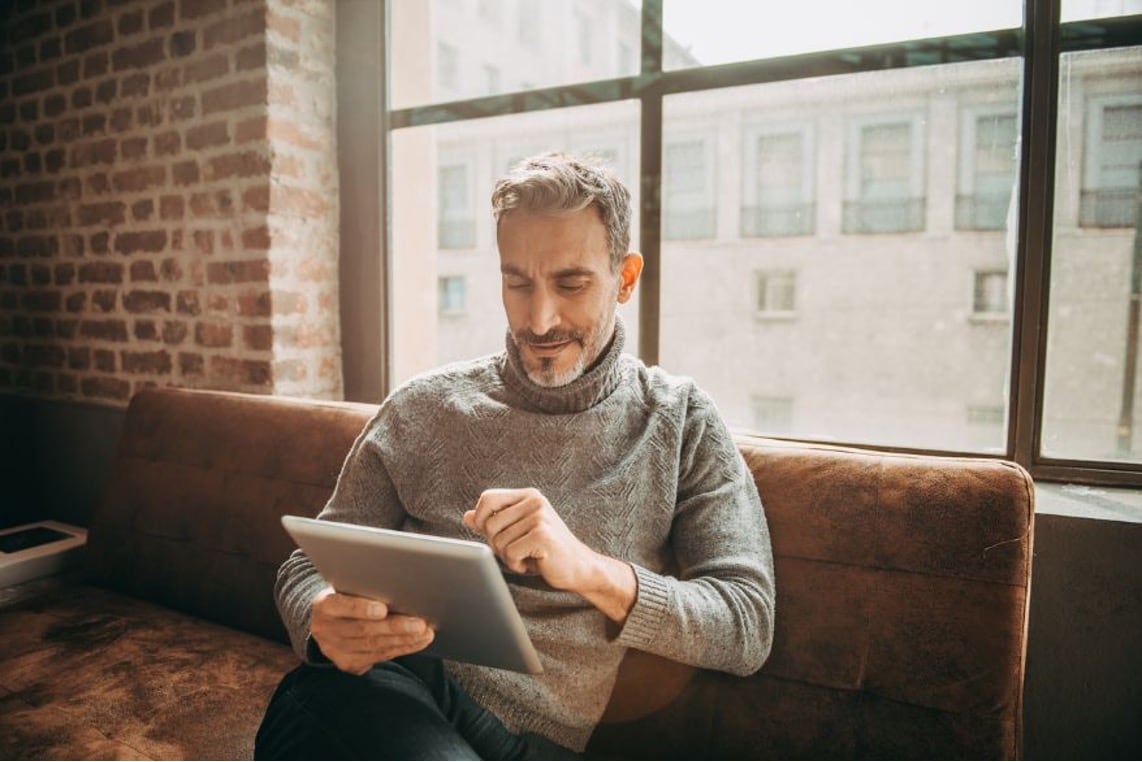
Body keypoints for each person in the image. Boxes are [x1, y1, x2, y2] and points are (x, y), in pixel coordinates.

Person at [254, 151, 776, 760]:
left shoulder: (679, 421)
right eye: (517, 282)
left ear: (626, 278)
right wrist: (319, 615)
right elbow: (307, 563)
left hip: (532, 745)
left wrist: (585, 567)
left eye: (571, 283)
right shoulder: (424, 407)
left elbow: (746, 623)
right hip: (393, 686)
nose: (539, 318)